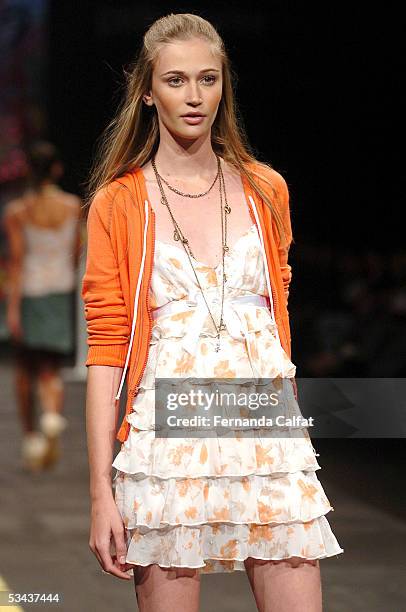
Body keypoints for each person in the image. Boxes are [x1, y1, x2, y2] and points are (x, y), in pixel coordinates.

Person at [82, 13, 343, 612]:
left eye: (208, 78)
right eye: (175, 80)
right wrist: (101, 492)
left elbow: (275, 322)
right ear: (147, 91)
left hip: (265, 435)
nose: (194, 96)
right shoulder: (119, 202)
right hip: (168, 445)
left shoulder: (266, 190)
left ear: (224, 85)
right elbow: (107, 353)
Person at [3, 141, 82, 472]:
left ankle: (33, 435)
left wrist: (12, 308)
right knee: (51, 368)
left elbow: (17, 263)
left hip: (32, 293)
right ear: (57, 170)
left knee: (25, 370)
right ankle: (52, 414)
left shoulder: (18, 211)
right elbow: (77, 253)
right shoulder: (73, 206)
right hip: (61, 292)